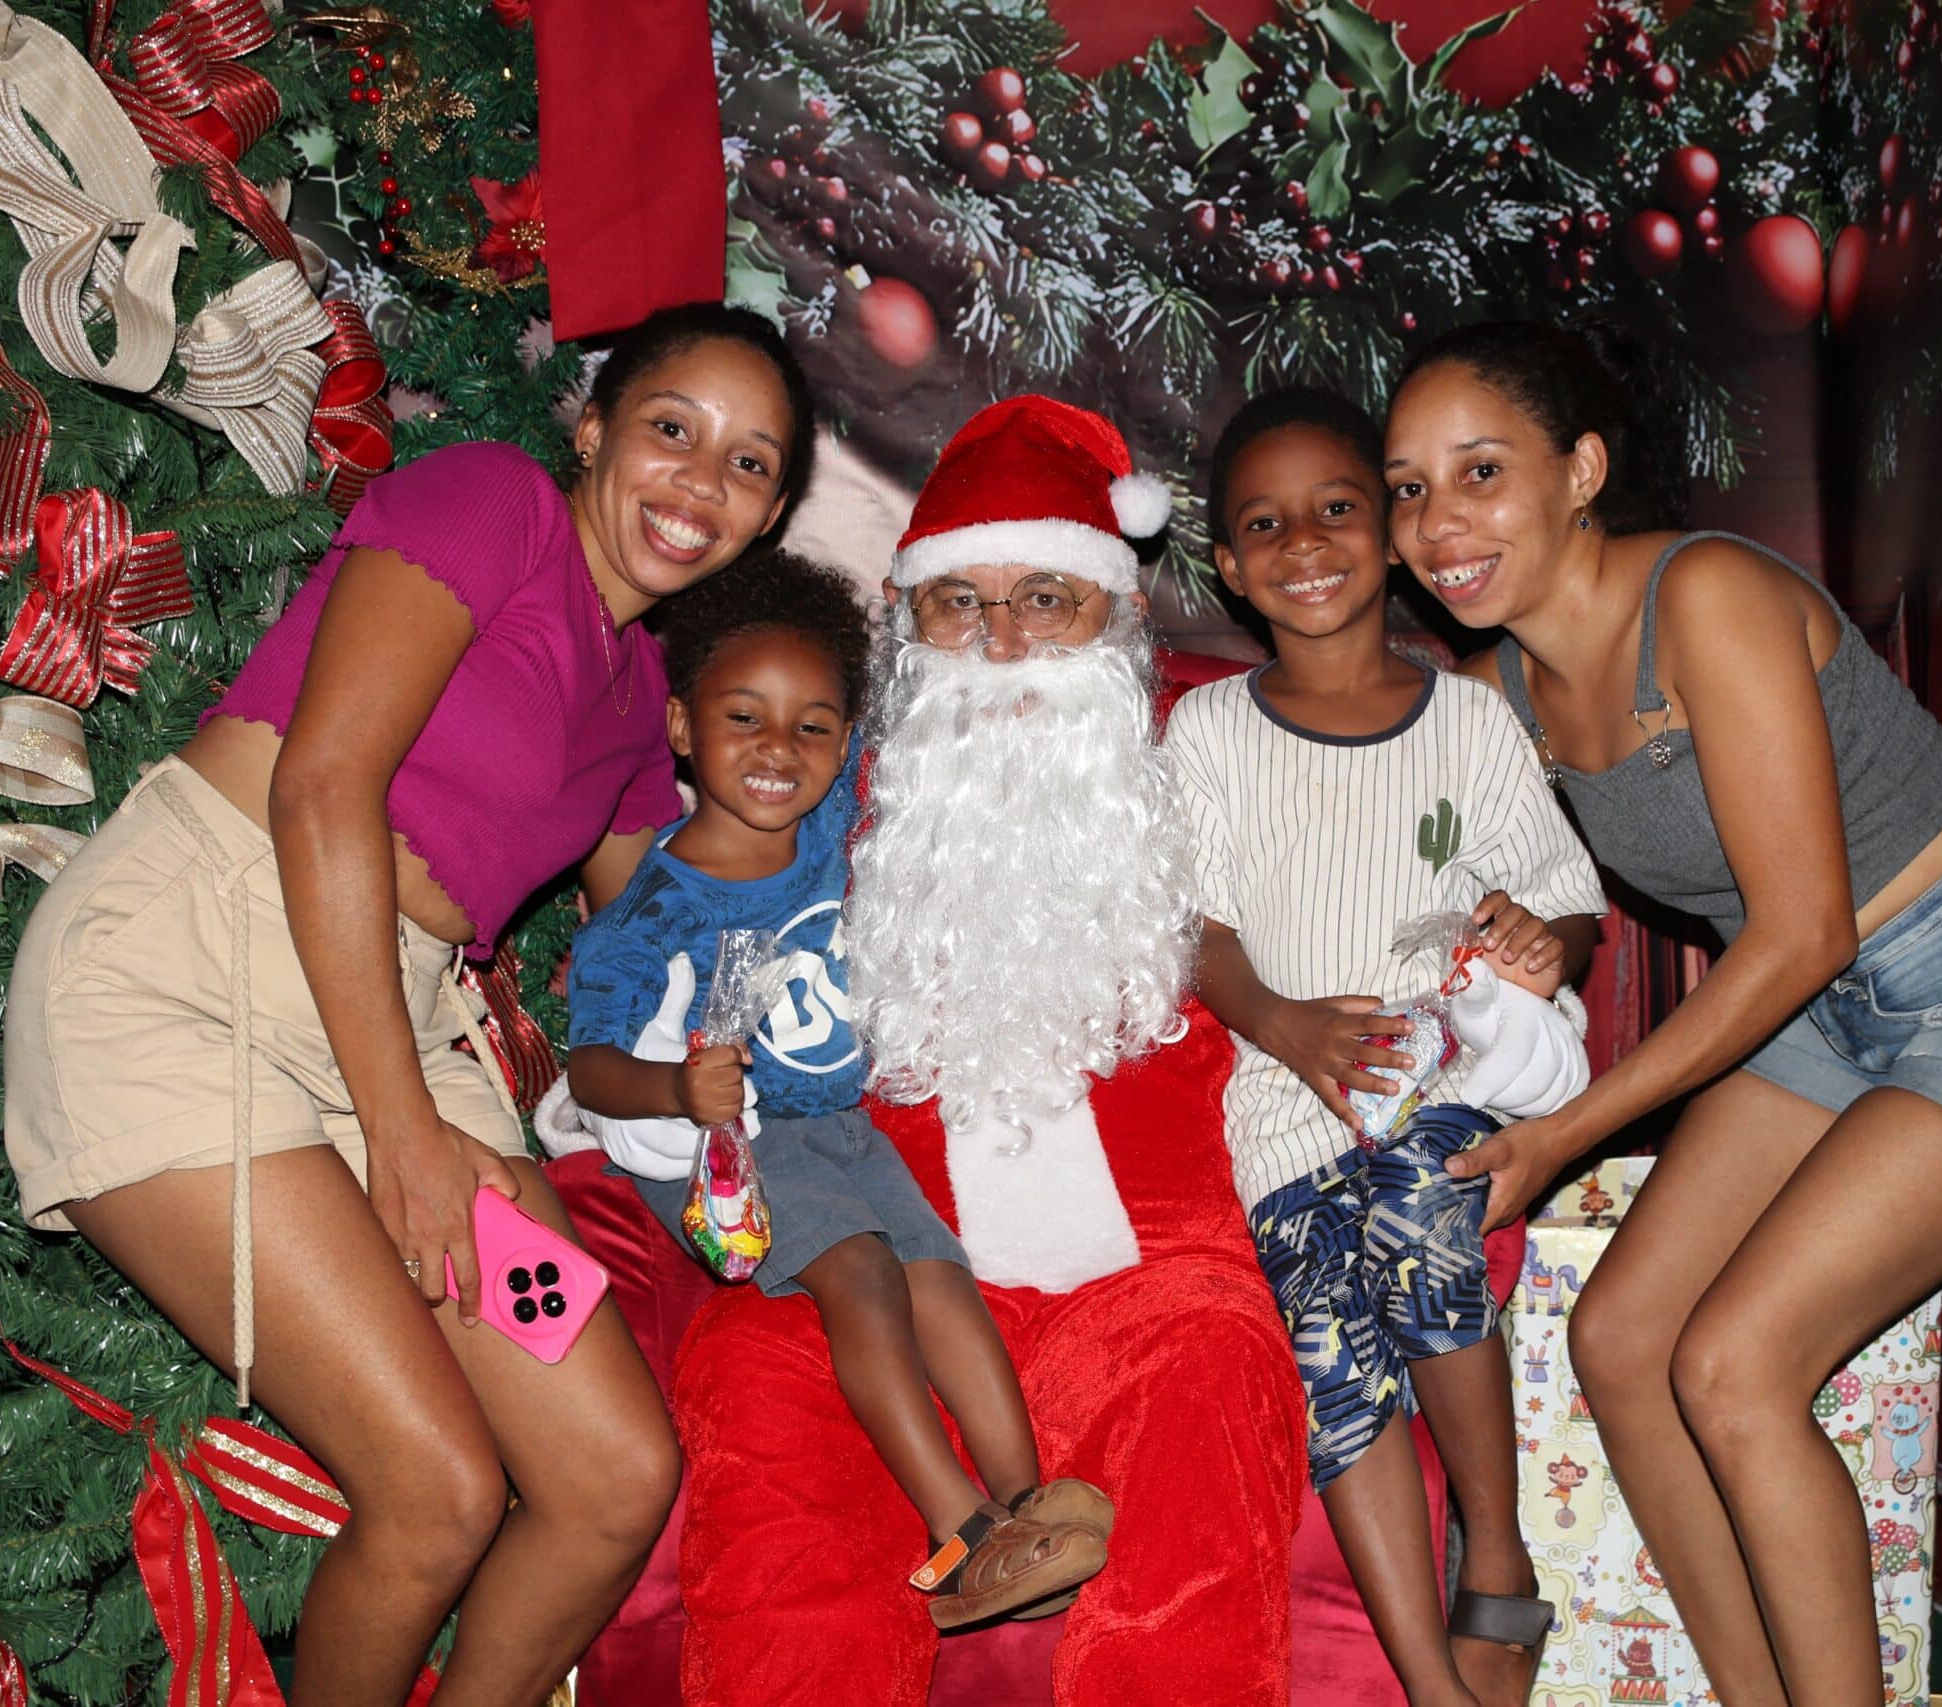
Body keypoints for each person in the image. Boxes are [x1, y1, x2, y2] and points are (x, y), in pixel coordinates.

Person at [1, 303, 814, 1706]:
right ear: (593, 430)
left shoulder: (639, 699)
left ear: (775, 511)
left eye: (749, 464)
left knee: (613, 1478)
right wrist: (405, 1138)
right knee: (436, 1491)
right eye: (672, 429)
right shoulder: (493, 502)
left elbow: (666, 929)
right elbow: (324, 786)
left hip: (400, 1016)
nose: (700, 482)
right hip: (196, 964)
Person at [1382, 319, 1942, 1705]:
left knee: (1736, 1366)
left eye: (1480, 471)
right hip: (1827, 1005)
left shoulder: (1706, 595)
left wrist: (1561, 1133)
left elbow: (1801, 928)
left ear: (1581, 471)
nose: (1439, 522)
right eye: (1408, 489)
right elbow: (1531, 900)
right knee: (1621, 1342)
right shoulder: (1499, 690)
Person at [662, 396, 1308, 1703]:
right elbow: (689, 939)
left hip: (1149, 1278)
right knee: (754, 1365)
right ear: (908, 624)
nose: (1003, 640)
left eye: (1047, 600)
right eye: (959, 603)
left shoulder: (1210, 774)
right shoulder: (827, 797)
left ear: (1117, 615)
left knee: (1213, 1366)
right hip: (904, 1272)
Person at [557, 549, 1111, 1629]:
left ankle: (1025, 1502)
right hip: (734, 1151)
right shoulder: (650, 914)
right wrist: (675, 1086)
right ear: (682, 727)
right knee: (861, 1274)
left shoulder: (821, 828)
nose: (780, 749)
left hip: (839, 1124)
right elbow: (590, 1066)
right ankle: (960, 1540)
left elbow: (923, 714)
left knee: (940, 1275)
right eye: (744, 718)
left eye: (812, 727)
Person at [1168, 388, 1605, 1707]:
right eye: (1265, 525)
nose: (1304, 542)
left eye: (1338, 509)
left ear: (1391, 533)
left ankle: (1498, 1550)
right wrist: (1286, 1025)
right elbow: (1196, 930)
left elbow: (1565, 900)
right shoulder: (1208, 731)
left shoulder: (1467, 718)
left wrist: (1540, 938)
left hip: (1451, 1074)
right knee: (1328, 1337)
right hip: (1286, 1100)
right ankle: (1431, 1681)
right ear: (1229, 566)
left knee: (1416, 1199)